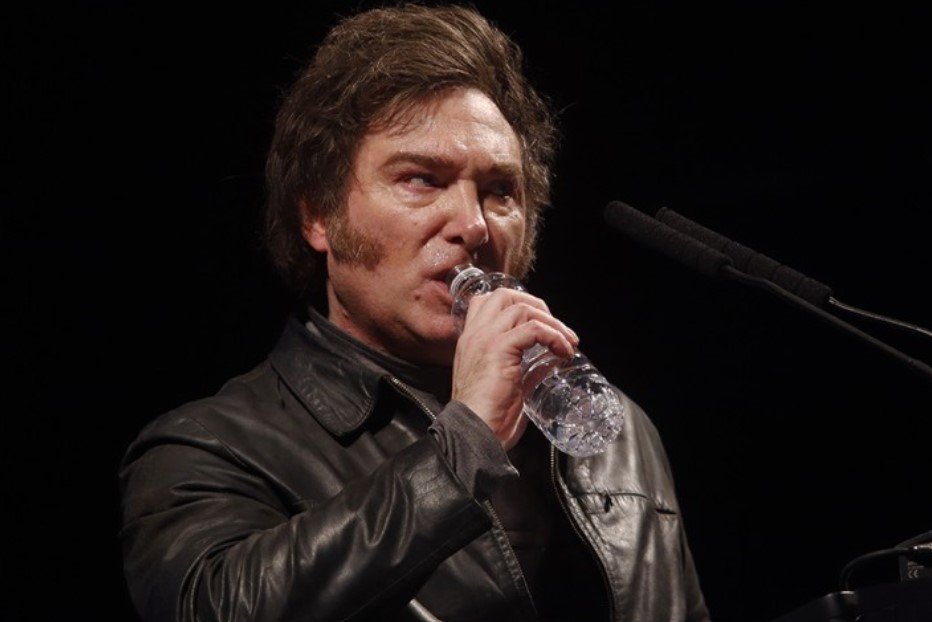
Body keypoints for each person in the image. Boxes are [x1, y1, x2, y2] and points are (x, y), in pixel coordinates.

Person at [119, 5, 709, 621]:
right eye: (422, 179)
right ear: (318, 216)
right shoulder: (207, 447)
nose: (473, 225)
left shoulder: (617, 429)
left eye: (500, 191)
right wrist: (465, 446)